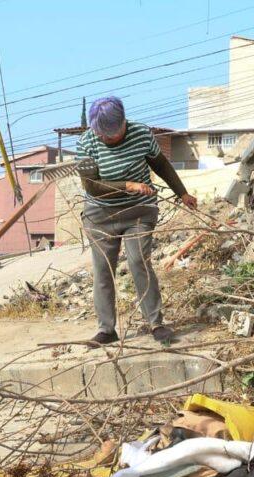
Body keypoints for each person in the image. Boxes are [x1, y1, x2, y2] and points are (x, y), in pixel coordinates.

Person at [76, 95, 198, 346]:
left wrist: (182, 193)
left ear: (122, 124)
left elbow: (161, 165)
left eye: (109, 135)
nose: (104, 139)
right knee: (103, 270)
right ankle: (107, 329)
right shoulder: (87, 143)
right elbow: (92, 187)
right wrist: (128, 185)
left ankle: (156, 323)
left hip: (139, 211)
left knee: (138, 260)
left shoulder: (141, 134)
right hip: (101, 215)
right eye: (101, 134)